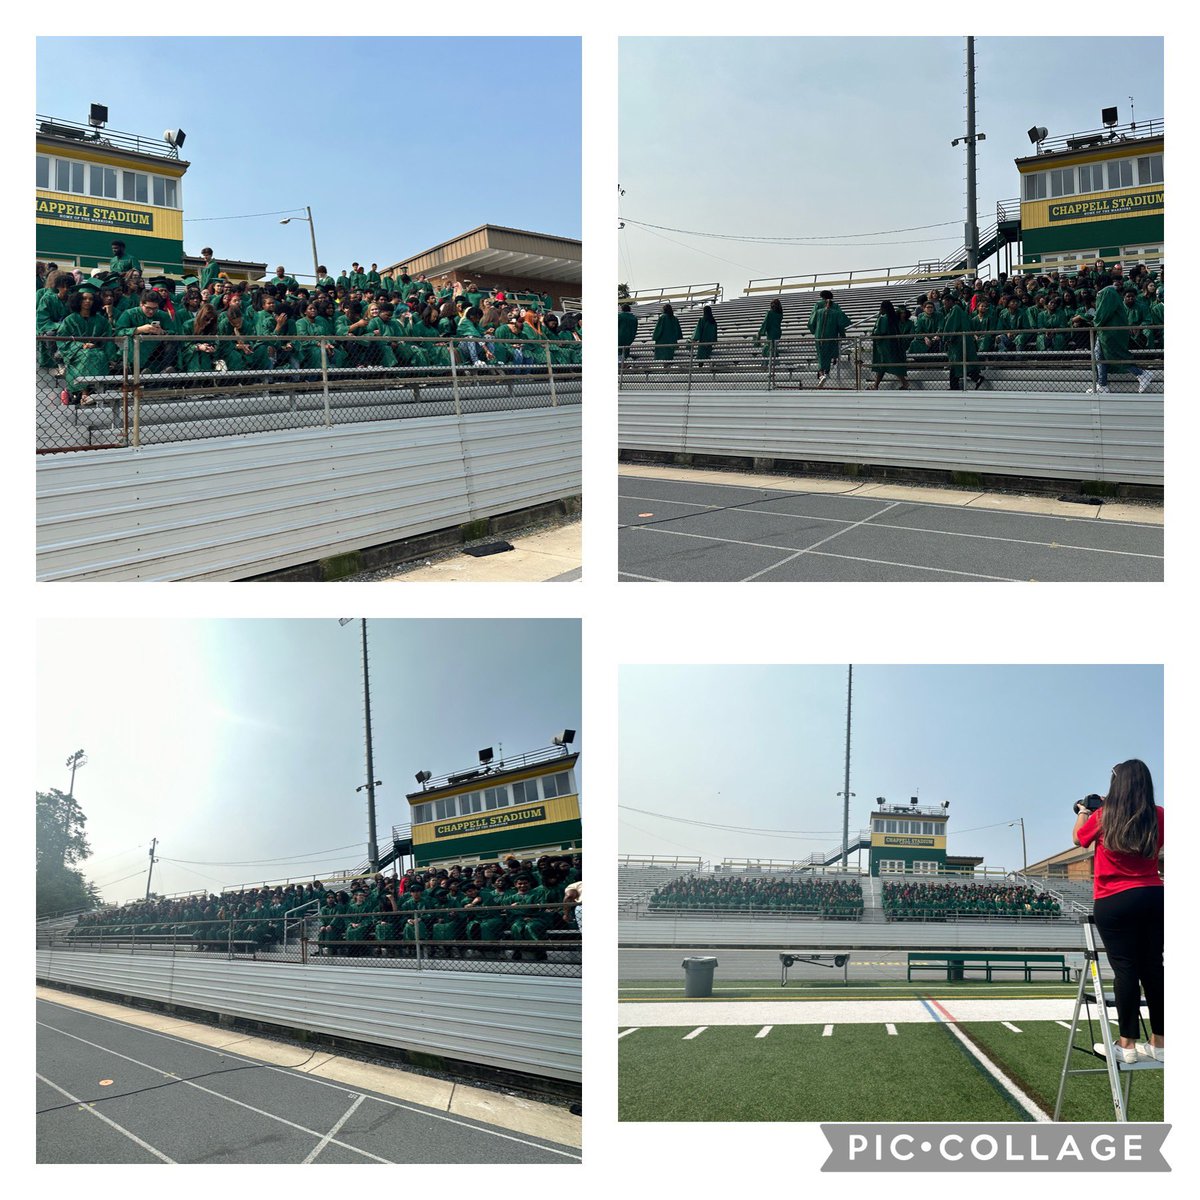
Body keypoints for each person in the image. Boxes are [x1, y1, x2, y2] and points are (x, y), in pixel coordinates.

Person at [1073, 760, 1164, 1063]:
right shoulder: (1159, 815)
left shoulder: (1103, 816)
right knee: (1154, 967)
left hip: (1115, 899)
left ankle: (1126, 1045)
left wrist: (1084, 811)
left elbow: (1078, 838)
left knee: (1126, 969)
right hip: (1154, 895)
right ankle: (1160, 1042)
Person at [1089, 284, 1154, 394]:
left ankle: (1141, 374)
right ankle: (1102, 384)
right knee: (1099, 356)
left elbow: (1103, 314)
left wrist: (1095, 321)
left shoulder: (1108, 292)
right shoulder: (1111, 293)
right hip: (1106, 332)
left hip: (1110, 333)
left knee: (1116, 355)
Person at [807, 290, 849, 386]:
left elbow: (811, 322)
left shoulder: (818, 306)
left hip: (820, 335)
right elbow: (841, 321)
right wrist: (842, 333)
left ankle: (822, 374)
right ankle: (826, 372)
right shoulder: (836, 307)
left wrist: (814, 331)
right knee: (829, 353)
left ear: (822, 297)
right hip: (832, 334)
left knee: (821, 355)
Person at [869, 299, 907, 389]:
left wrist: (873, 333)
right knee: (884, 366)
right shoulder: (893, 317)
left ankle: (905, 383)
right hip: (892, 344)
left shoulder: (883, 318)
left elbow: (880, 331)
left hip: (884, 345)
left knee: (887, 364)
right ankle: (876, 385)